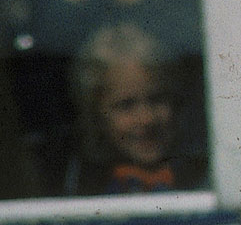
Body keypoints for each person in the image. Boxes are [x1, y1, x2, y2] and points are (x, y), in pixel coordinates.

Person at [62, 20, 202, 194]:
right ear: (96, 115)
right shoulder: (83, 186)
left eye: (157, 99)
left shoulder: (204, 178)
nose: (146, 119)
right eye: (126, 105)